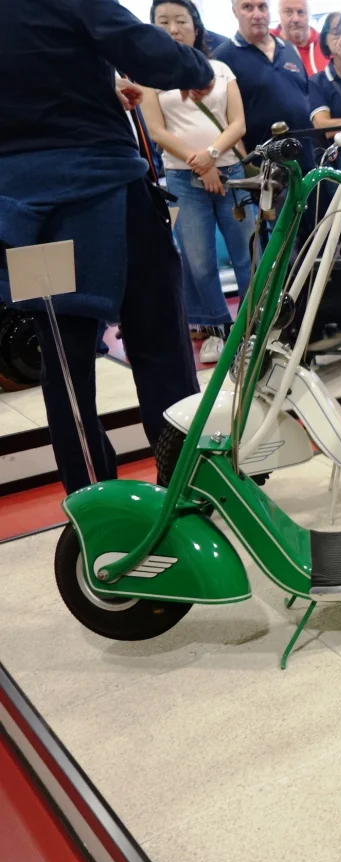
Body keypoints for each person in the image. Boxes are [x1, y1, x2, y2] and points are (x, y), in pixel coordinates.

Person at [0, 0, 212, 493]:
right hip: (104, 194)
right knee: (158, 342)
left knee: (64, 362)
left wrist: (92, 85)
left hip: (26, 214)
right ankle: (186, 490)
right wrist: (198, 68)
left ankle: (92, 503)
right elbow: (146, 50)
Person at [142, 0, 255, 363]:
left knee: (248, 254)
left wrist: (212, 154)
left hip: (232, 174)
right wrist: (201, 163)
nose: (173, 29)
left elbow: (238, 123)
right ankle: (217, 329)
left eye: (181, 20)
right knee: (199, 261)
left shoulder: (220, 69)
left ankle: (255, 327)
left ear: (196, 26)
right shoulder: (148, 76)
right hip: (182, 178)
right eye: (163, 22)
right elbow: (157, 131)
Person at [215, 0, 315, 169]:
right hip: (262, 167)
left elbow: (306, 100)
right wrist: (246, 167)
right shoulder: (223, 58)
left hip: (305, 161)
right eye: (248, 7)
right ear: (235, 11)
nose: (257, 15)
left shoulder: (288, 49)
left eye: (262, 7)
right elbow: (221, 121)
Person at [271, 0, 329, 74]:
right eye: (288, 12)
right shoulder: (267, 43)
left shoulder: (327, 44)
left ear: (309, 14)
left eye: (300, 12)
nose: (296, 19)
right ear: (279, 15)